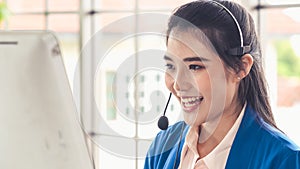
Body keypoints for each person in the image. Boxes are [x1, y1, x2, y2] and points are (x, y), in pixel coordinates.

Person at [144, 0, 300, 168]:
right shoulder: (162, 147)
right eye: (171, 66)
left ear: (241, 67)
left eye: (194, 67)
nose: (177, 84)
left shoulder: (284, 160)